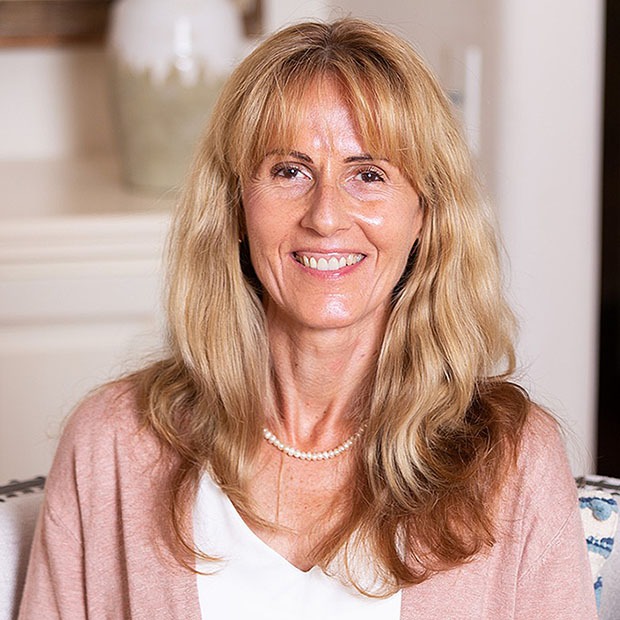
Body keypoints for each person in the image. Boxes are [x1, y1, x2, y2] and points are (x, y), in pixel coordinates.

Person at [19, 18, 597, 619]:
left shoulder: (513, 461)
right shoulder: (111, 445)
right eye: (289, 171)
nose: (326, 216)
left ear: (425, 215)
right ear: (237, 207)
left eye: (368, 175)